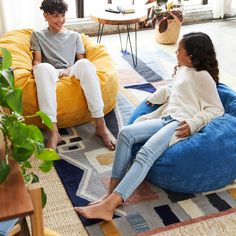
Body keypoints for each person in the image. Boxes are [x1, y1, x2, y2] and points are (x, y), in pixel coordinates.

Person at [75, 32, 225, 221]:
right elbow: (179, 91)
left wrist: (194, 123)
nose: (176, 52)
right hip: (166, 117)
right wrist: (161, 93)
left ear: (191, 57)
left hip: (179, 123)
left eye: (180, 50)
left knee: (146, 153)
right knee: (125, 134)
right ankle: (111, 192)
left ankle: (109, 206)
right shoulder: (183, 69)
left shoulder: (203, 76)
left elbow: (216, 109)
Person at [30, 0, 116, 150]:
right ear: (45, 16)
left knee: (86, 64)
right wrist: (38, 69)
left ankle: (101, 126)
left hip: (71, 70)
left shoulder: (75, 36)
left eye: (62, 15)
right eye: (55, 15)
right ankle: (53, 131)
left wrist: (69, 70)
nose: (60, 20)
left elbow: (80, 61)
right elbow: (37, 61)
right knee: (42, 68)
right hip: (50, 71)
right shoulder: (37, 35)